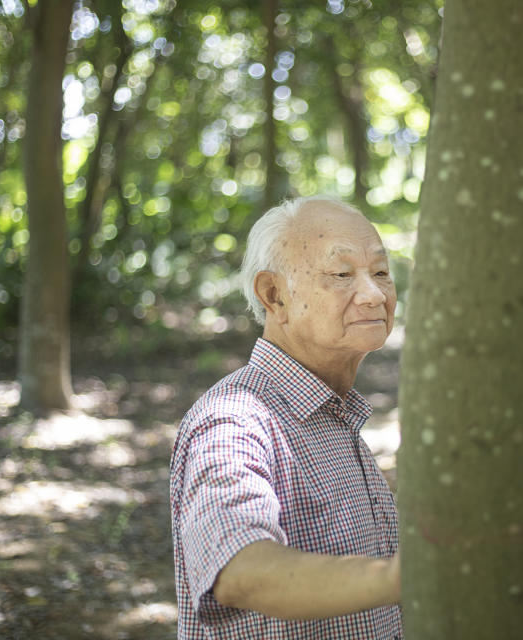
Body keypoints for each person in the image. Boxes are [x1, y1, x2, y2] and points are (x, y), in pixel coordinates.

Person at [170, 196, 402, 639]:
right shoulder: (233, 419)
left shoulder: (335, 411)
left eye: (381, 272)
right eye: (341, 274)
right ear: (274, 296)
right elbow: (239, 570)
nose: (374, 294)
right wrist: (404, 577)